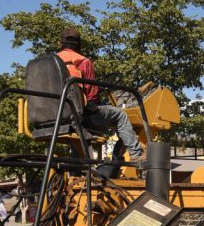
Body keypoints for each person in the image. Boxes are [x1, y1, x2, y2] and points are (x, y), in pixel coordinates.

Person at [56, 27, 143, 169]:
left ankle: (77, 169)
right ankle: (136, 154)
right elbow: (92, 96)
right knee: (120, 115)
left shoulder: (52, 63)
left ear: (61, 43)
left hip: (55, 118)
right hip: (79, 117)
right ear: (79, 44)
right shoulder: (83, 62)